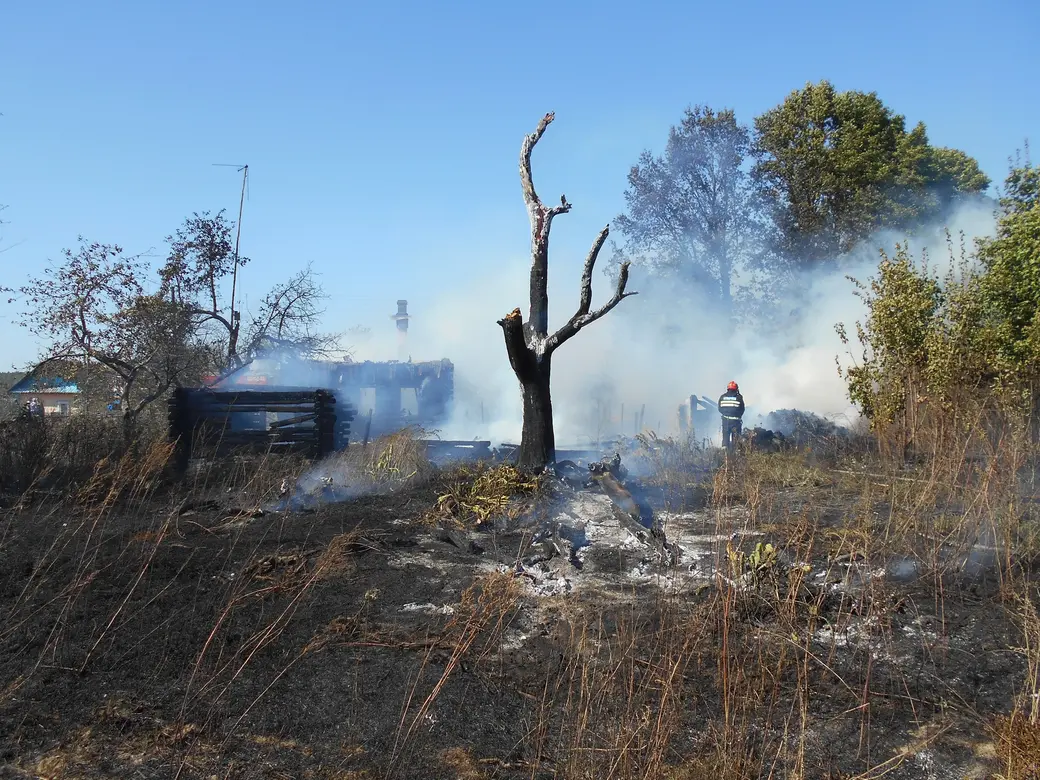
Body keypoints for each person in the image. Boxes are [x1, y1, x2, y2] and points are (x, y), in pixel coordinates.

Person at [718, 381, 745, 451]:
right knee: (736, 440)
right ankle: (736, 455)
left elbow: (719, 408)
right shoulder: (739, 397)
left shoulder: (722, 397)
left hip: (725, 421)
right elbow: (742, 409)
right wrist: (738, 416)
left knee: (725, 439)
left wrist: (726, 414)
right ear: (736, 389)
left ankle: (725, 456)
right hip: (736, 422)